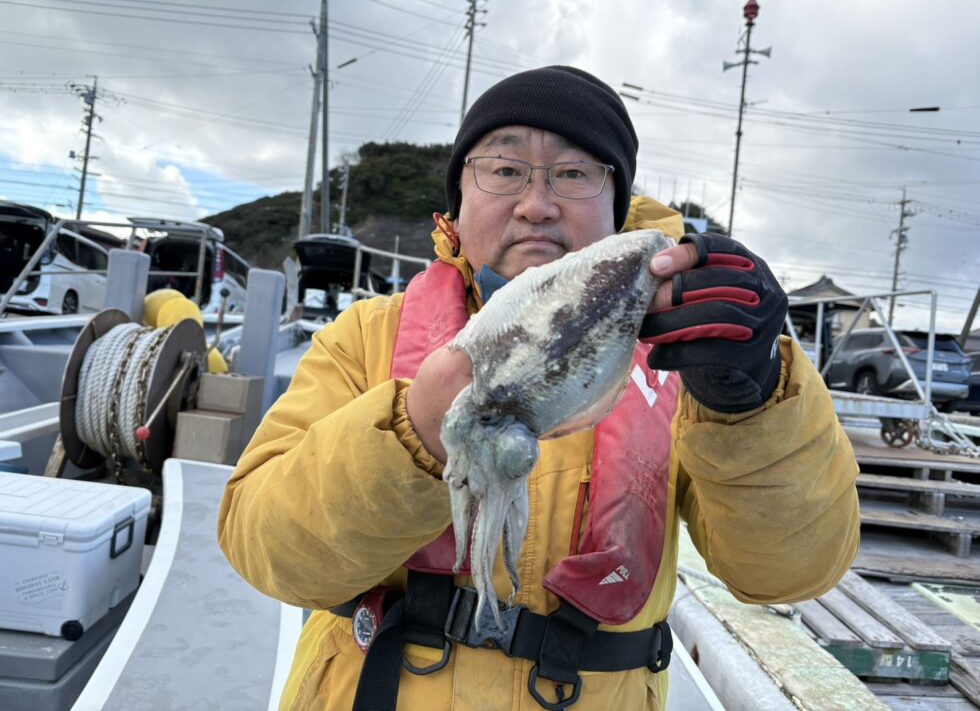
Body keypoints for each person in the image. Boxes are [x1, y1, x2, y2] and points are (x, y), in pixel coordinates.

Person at [218, 65, 860, 711]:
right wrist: (417, 429)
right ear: (458, 199)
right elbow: (272, 554)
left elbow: (789, 573)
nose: (536, 204)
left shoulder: (685, 355)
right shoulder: (365, 334)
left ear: (616, 206)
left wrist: (751, 396)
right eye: (504, 169)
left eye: (575, 174)